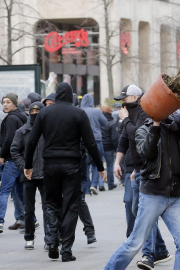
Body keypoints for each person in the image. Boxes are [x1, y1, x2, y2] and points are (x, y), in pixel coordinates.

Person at [104, 91, 180, 270]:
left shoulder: (177, 125)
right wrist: (156, 123)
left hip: (174, 196)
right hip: (153, 195)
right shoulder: (146, 127)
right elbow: (145, 153)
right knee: (134, 243)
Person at [24, 82, 106, 262]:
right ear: (70, 96)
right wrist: (100, 167)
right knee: (71, 206)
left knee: (51, 203)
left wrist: (28, 164)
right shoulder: (79, 113)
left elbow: (32, 141)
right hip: (72, 165)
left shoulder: (44, 113)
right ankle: (66, 250)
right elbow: (90, 142)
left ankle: (52, 241)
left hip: (50, 165)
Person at [113, 84, 171, 269]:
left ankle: (149, 254)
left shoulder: (145, 112)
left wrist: (124, 121)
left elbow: (138, 135)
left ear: (136, 97)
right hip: (136, 169)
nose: (122, 103)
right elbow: (124, 139)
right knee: (136, 211)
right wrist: (118, 162)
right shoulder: (129, 114)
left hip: (148, 170)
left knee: (144, 213)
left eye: (125, 98)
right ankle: (160, 249)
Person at [11, 102, 47, 250]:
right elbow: (15, 150)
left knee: (48, 208)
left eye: (38, 111)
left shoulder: (49, 130)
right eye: (32, 110)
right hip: (29, 176)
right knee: (29, 209)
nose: (34, 113)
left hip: (46, 174)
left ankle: (50, 238)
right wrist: (25, 166)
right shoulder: (22, 131)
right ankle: (29, 237)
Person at [0, 93, 28, 233]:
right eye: (3, 102)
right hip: (21, 159)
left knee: (4, 191)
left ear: (15, 104)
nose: (5, 104)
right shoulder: (23, 117)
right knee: (19, 192)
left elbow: (9, 139)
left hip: (11, 159)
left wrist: (2, 155)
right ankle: (29, 220)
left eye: (8, 102)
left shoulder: (11, 119)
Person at [80, 94, 107, 193]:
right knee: (97, 163)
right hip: (97, 139)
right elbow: (105, 123)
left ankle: (86, 189)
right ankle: (94, 184)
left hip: (83, 141)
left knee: (85, 165)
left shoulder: (80, 111)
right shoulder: (96, 111)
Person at [101, 106, 119, 190]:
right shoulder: (111, 122)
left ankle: (101, 184)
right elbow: (114, 137)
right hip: (108, 146)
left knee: (99, 165)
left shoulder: (98, 122)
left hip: (100, 145)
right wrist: (116, 149)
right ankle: (110, 183)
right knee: (110, 165)